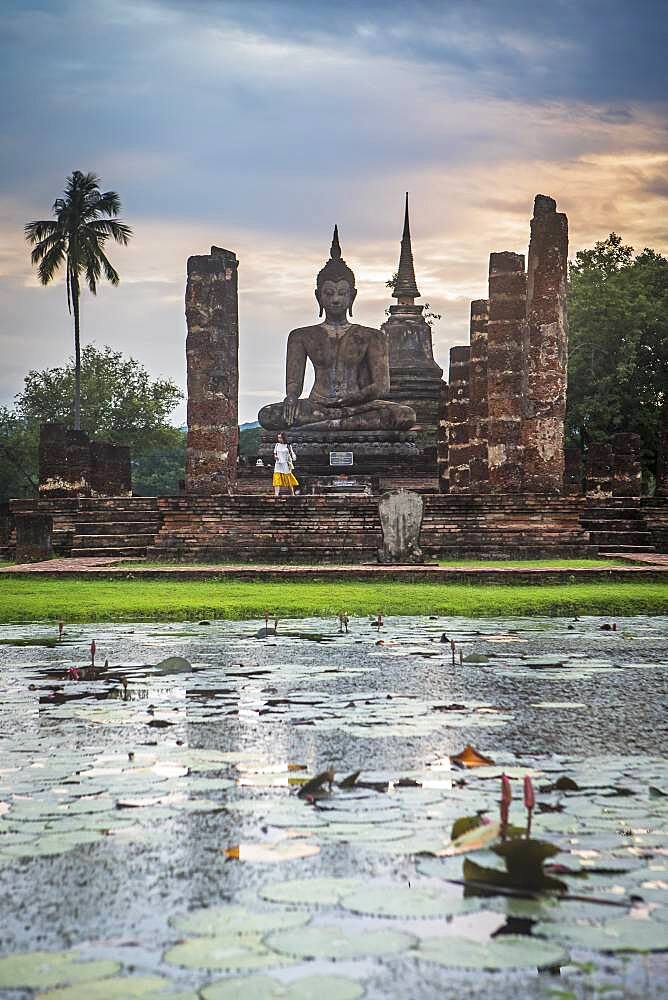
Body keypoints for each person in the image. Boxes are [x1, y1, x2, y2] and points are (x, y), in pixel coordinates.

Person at [272, 433, 298, 497]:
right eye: (278, 438)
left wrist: (291, 457)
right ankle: (276, 495)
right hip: (278, 464)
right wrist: (275, 456)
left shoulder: (288, 446)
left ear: (284, 438)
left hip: (286, 464)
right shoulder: (277, 445)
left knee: (288, 479)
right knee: (276, 478)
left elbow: (292, 455)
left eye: (280, 437)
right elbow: (275, 453)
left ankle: (292, 493)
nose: (279, 439)